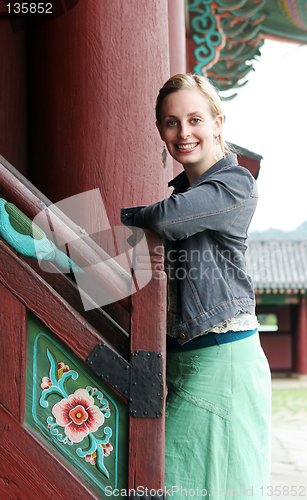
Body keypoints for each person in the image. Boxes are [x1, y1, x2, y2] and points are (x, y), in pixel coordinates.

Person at [121, 74, 271, 499]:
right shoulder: (183, 194)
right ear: (160, 131)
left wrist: (125, 219)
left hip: (223, 361)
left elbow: (166, 219)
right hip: (187, 360)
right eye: (171, 123)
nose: (183, 133)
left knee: (172, 484)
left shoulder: (235, 184)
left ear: (218, 123)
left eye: (194, 119)